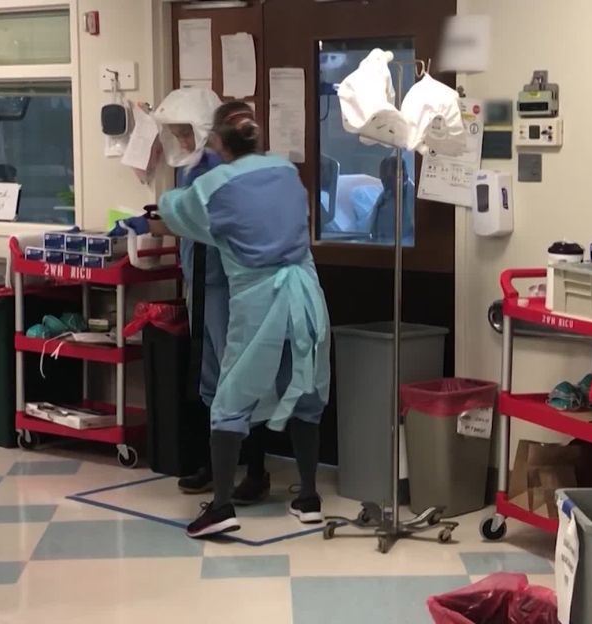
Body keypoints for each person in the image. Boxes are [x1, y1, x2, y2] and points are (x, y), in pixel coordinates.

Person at [153, 101, 331, 538]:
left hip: (259, 302)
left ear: (214, 140)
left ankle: (221, 507)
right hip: (307, 295)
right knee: (307, 387)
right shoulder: (287, 172)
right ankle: (308, 497)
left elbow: (172, 210)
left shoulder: (213, 186)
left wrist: (194, 168)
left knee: (230, 397)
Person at [152, 88, 272, 505]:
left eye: (187, 132)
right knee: (209, 378)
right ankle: (213, 462)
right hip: (201, 284)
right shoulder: (191, 172)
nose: (182, 142)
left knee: (238, 375)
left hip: (232, 288)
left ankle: (255, 469)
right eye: (177, 134)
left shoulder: (233, 171)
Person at [369, 154, 415, 245]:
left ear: (404, 177)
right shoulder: (383, 200)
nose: (385, 185)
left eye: (389, 180)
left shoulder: (414, 201)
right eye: (383, 180)